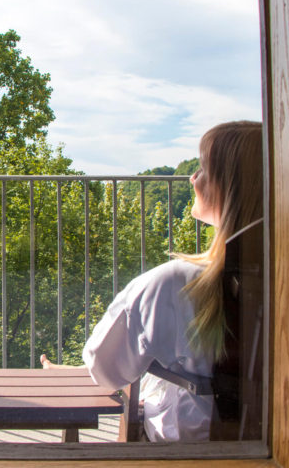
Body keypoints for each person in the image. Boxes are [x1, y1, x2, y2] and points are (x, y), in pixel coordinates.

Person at [40, 120, 263, 442]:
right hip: (271, 446)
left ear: (228, 188)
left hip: (187, 453)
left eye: (202, 168)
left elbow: (104, 370)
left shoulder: (176, 286)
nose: (192, 178)